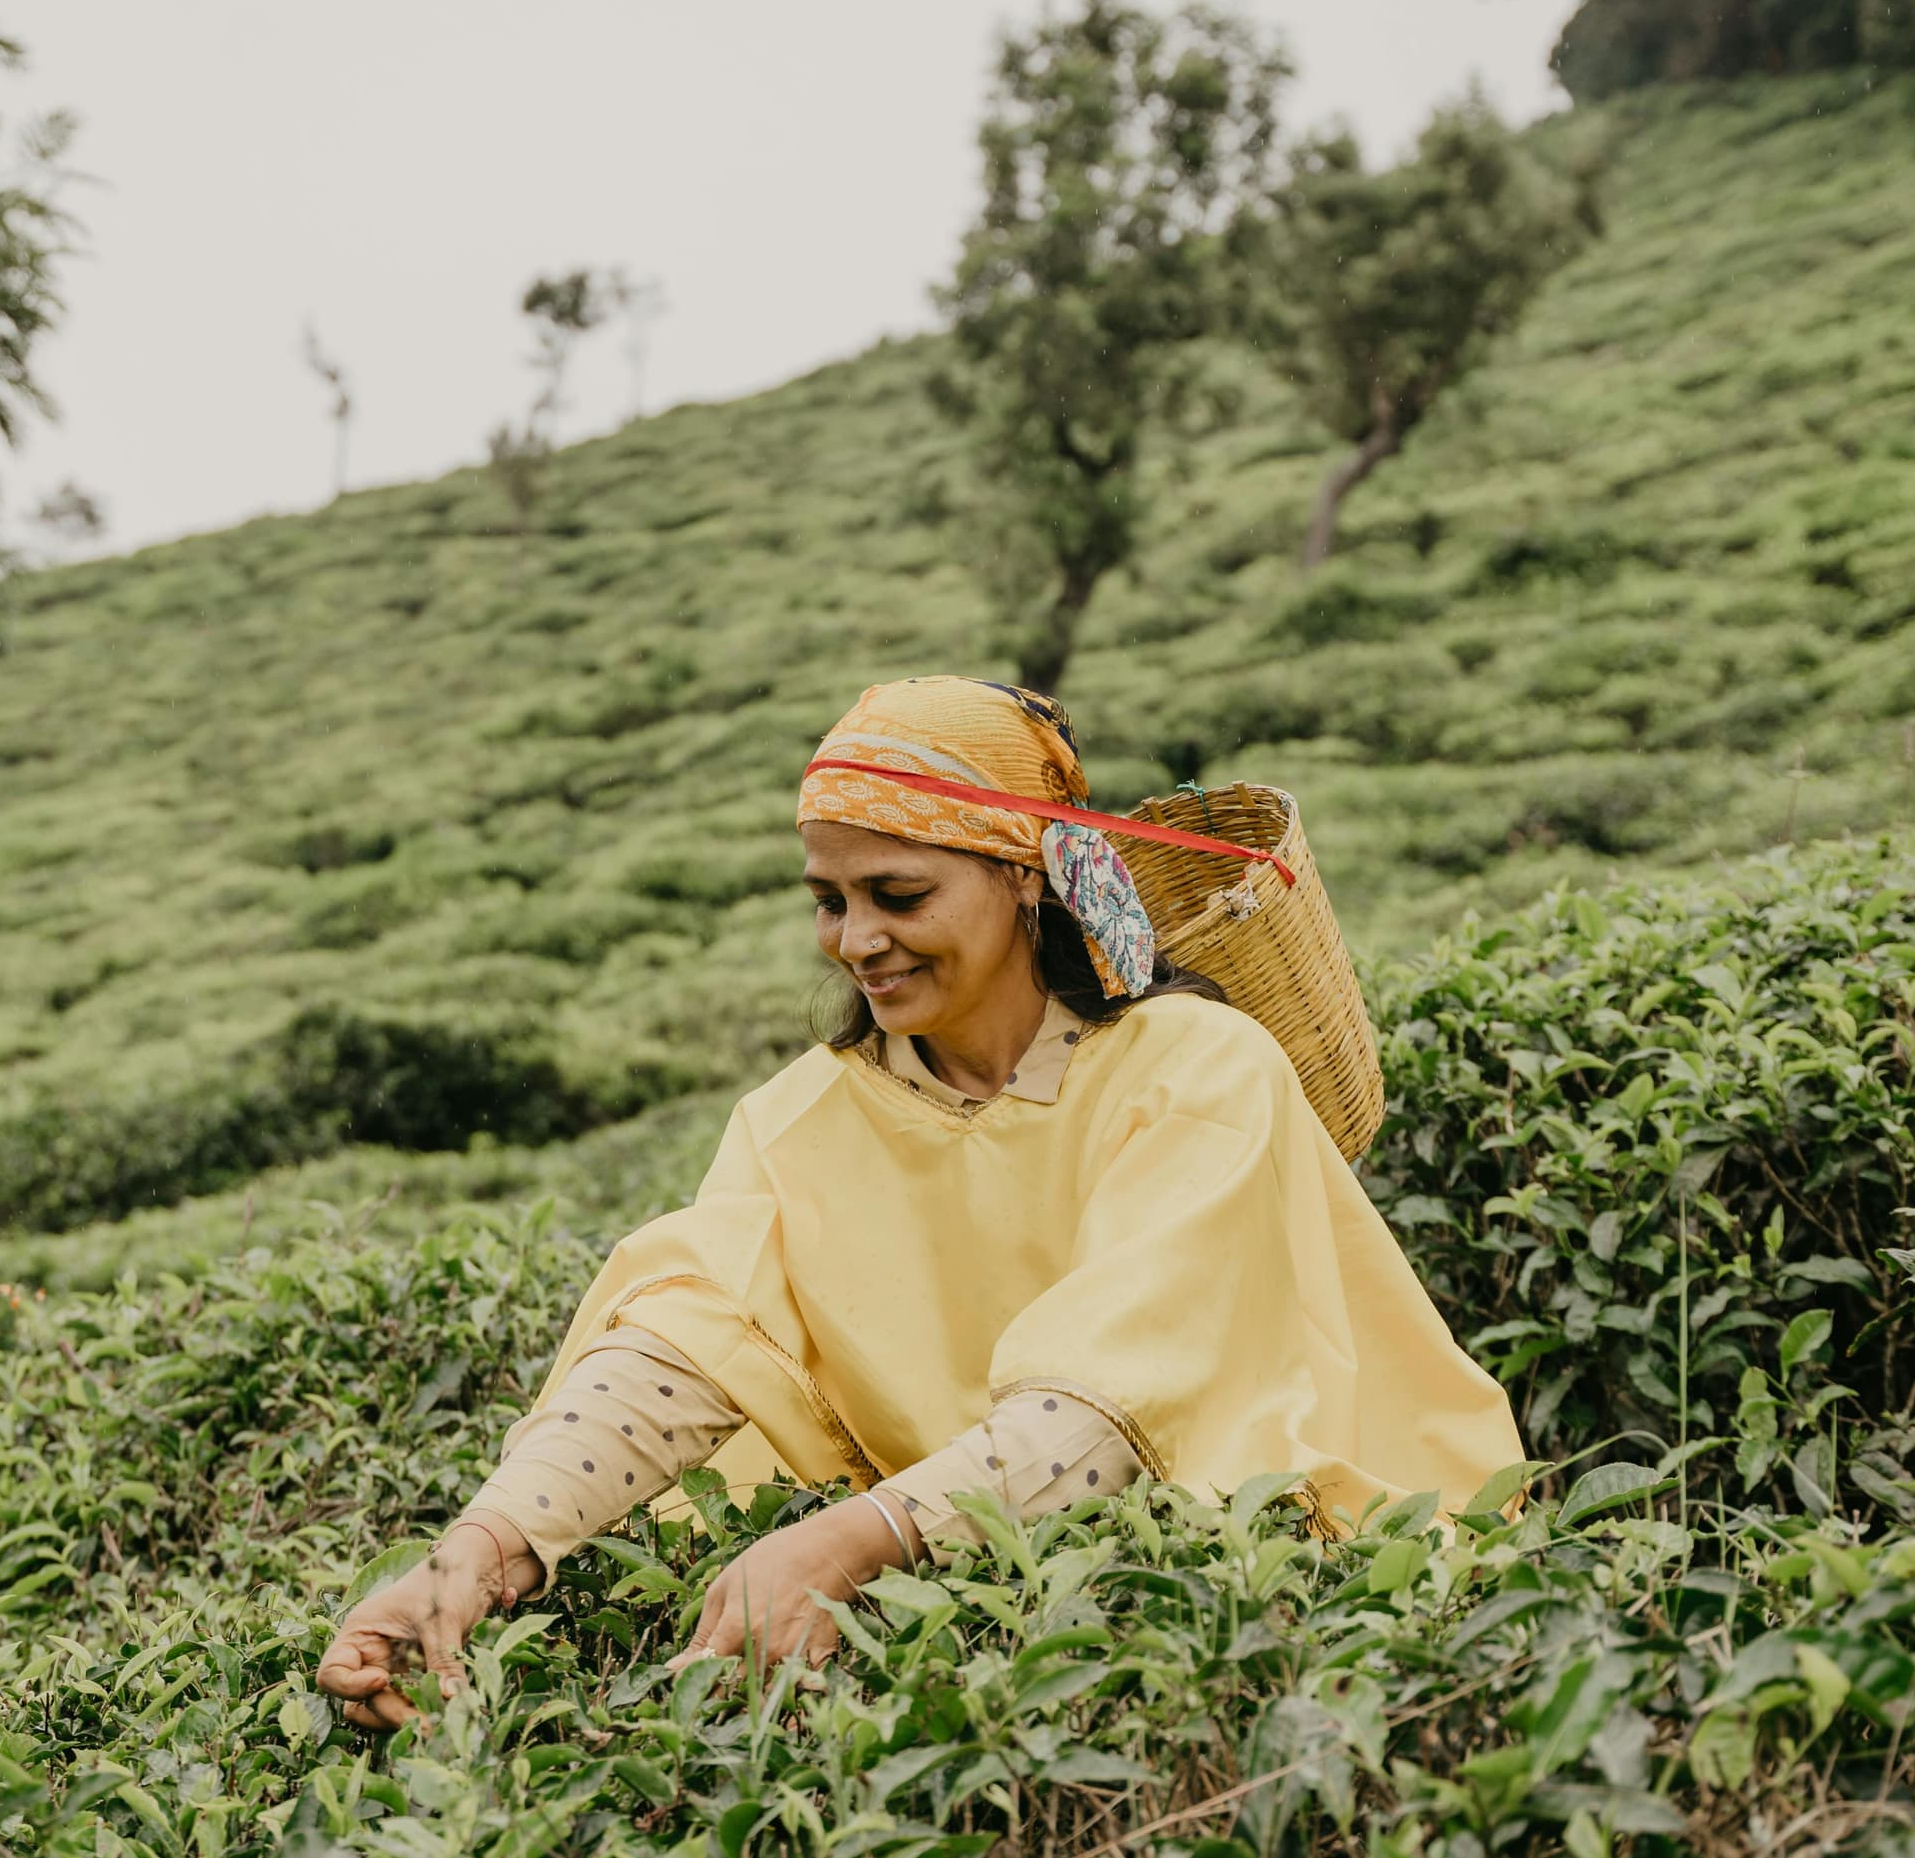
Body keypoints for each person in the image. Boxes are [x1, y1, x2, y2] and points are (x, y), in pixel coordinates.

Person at [314, 677, 1521, 1730]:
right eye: (830, 900)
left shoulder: (1196, 1068)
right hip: (991, 1574)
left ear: (1023, 882)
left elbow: (1122, 1398)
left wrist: (853, 1539)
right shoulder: (801, 1122)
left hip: (1315, 1586)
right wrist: (478, 1551)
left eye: (898, 893)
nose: (856, 939)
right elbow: (684, 1341)